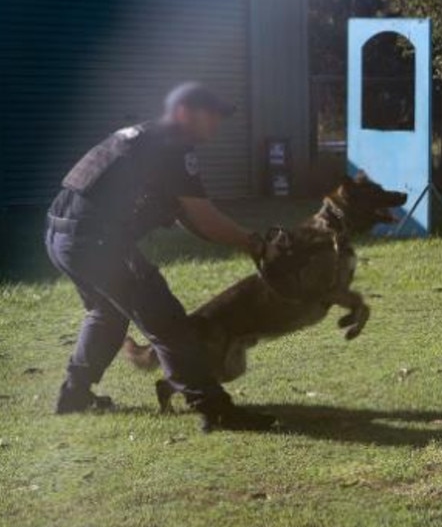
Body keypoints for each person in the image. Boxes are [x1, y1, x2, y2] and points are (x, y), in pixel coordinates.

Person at [45, 82, 275, 432]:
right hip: (98, 243)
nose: (215, 124)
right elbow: (204, 218)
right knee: (167, 323)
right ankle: (215, 410)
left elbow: (189, 217)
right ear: (184, 113)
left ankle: (74, 396)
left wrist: (243, 241)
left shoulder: (143, 138)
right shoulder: (174, 147)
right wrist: (254, 244)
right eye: (210, 115)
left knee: (106, 312)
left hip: (61, 236)